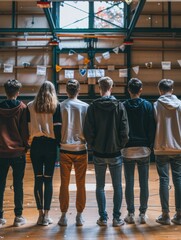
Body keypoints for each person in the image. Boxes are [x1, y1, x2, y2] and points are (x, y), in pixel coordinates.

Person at [83, 76, 129, 227]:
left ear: (99, 88)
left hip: (99, 153)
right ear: (112, 87)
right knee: (117, 186)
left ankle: (103, 218)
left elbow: (88, 130)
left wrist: (93, 146)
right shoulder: (119, 105)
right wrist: (119, 145)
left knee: (100, 186)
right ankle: (117, 218)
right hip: (115, 153)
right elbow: (125, 130)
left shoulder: (93, 107)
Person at [121, 78, 156, 224]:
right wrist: (150, 145)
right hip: (143, 149)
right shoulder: (148, 105)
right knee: (144, 183)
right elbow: (152, 127)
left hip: (128, 149)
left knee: (129, 182)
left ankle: (130, 213)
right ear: (140, 90)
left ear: (128, 90)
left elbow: (121, 128)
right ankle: (142, 214)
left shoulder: (122, 106)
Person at [27, 81, 61, 226]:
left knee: (37, 179)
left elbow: (27, 127)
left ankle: (40, 214)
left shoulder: (30, 106)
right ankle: (46, 216)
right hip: (50, 145)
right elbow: (58, 129)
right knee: (48, 180)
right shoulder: (56, 106)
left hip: (35, 144)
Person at [58, 79, 89, 227]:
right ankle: (79, 215)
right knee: (80, 184)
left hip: (64, 148)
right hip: (81, 149)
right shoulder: (85, 107)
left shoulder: (60, 106)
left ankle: (63, 216)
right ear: (79, 90)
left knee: (64, 183)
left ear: (66, 91)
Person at [0, 79, 29, 227]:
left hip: (1, 153)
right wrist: (26, 146)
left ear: (5, 92)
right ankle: (18, 216)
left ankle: (0, 217)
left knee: (0, 184)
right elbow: (24, 131)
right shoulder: (23, 108)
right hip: (18, 152)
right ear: (18, 92)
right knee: (18, 184)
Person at [154, 79, 181, 225]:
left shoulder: (156, 105)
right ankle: (180, 214)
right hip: (178, 147)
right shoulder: (180, 105)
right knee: (178, 180)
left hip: (161, 147)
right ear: (172, 89)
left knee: (164, 181)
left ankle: (165, 215)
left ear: (160, 90)